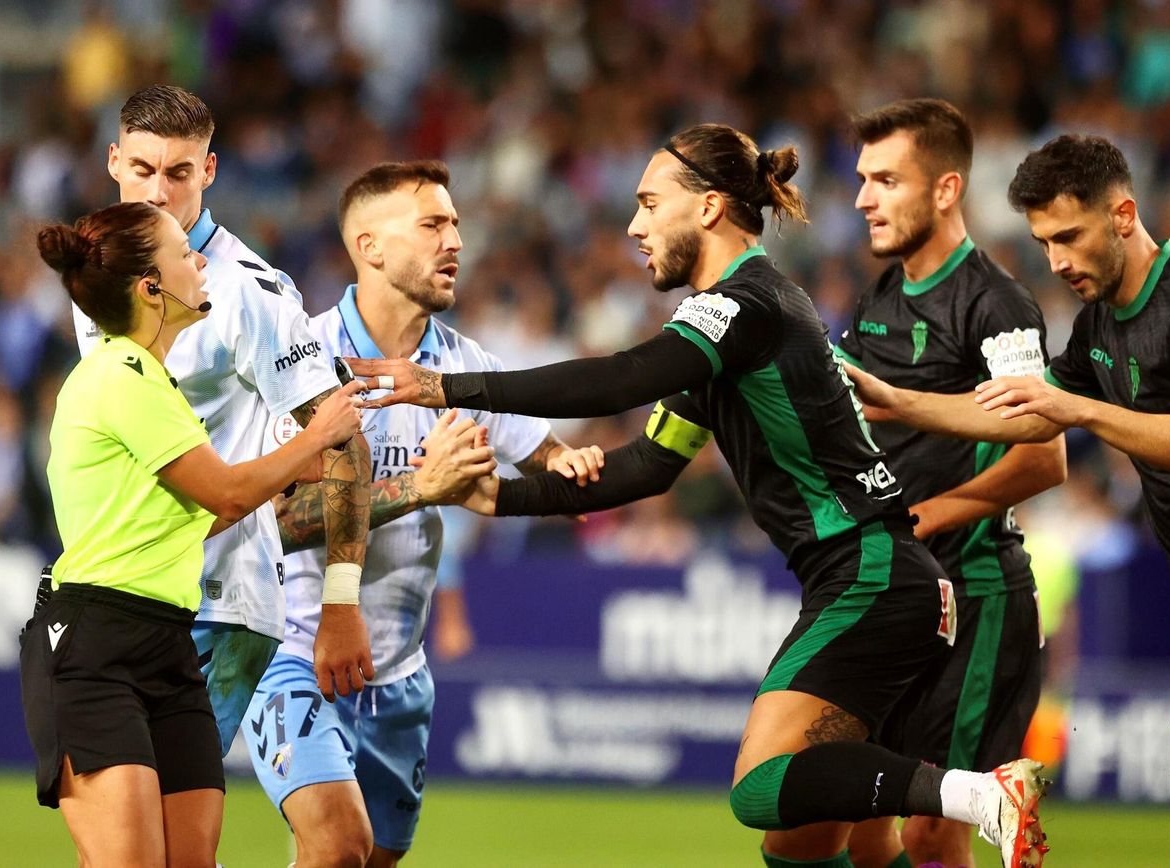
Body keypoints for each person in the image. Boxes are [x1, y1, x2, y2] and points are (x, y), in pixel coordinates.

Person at [351, 125, 1048, 868]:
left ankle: (981, 797)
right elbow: (646, 467)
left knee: (759, 791)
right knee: (802, 847)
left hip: (872, 575)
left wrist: (445, 385)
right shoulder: (733, 328)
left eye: (651, 204)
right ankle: (970, 798)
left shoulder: (744, 305)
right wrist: (498, 499)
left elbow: (623, 377)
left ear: (710, 207)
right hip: (887, 579)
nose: (634, 226)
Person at [845, 133, 1170, 868]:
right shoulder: (1096, 329)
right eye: (1043, 242)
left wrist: (1081, 412)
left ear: (1123, 214)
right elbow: (1018, 412)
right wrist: (900, 400)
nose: (1056, 261)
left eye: (1069, 237)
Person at [249, 160, 605, 868]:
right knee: (336, 845)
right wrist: (420, 486)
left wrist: (590, 465)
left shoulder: (461, 367)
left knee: (361, 860)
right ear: (370, 247)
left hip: (400, 676)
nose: (456, 242)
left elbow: (554, 462)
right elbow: (278, 520)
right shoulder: (305, 359)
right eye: (433, 224)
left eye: (457, 224)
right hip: (294, 653)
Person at [21, 201, 364, 866]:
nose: (201, 261)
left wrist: (294, 463)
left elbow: (215, 510)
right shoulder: (120, 377)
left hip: (167, 644)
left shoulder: (155, 380)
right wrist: (317, 437)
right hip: (96, 648)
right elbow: (227, 494)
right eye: (185, 254)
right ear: (152, 288)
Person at [80, 85, 374, 769]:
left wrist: (339, 604)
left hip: (217, 599)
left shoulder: (249, 292)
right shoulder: (101, 278)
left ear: (208, 173)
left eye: (179, 173)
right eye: (143, 170)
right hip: (130, 586)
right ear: (114, 162)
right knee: (131, 829)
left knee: (158, 821)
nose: (158, 192)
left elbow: (343, 444)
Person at [833, 99, 1065, 868]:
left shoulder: (993, 304)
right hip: (892, 596)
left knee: (934, 829)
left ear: (945, 189)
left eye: (886, 179)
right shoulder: (874, 303)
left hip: (975, 593)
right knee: (861, 827)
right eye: (863, 178)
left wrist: (931, 514)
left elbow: (1043, 456)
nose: (863, 198)